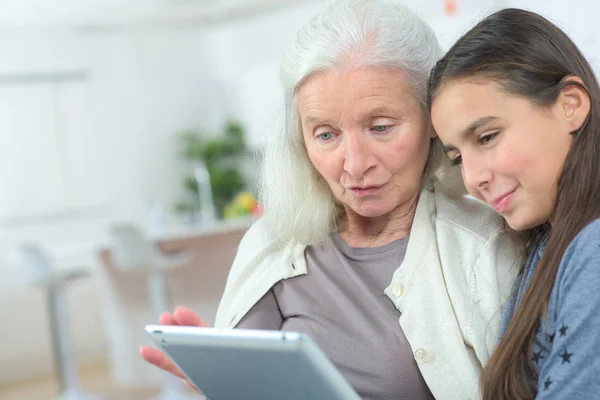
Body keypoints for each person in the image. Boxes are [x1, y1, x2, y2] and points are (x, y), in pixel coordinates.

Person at [141, 1, 524, 399]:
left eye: (380, 127)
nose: (355, 165)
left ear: (432, 120)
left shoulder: (483, 249)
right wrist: (219, 385)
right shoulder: (268, 241)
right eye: (326, 135)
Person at [428, 8, 600, 400]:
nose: (473, 179)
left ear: (570, 104)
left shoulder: (594, 248)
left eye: (487, 137)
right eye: (457, 157)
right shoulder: (547, 240)